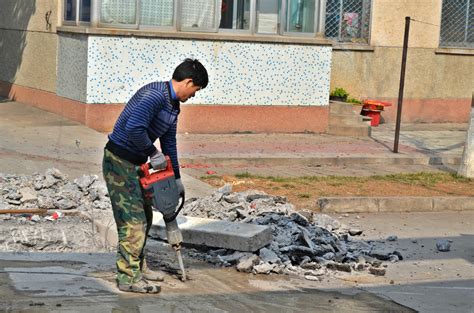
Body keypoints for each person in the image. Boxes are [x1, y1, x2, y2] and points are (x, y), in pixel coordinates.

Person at [102, 59, 208, 293]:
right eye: (196, 90)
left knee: (146, 218)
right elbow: (133, 128)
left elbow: (169, 141)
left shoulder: (172, 105)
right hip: (119, 162)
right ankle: (128, 278)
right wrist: (152, 152)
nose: (194, 95)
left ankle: (139, 267)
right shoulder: (154, 96)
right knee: (133, 221)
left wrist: (176, 178)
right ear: (188, 82)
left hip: (136, 163)